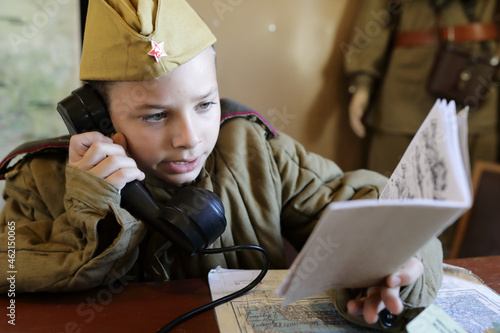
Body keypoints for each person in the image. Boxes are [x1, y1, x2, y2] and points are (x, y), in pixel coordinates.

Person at [0, 0, 442, 330]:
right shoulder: (39, 178)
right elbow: (13, 277)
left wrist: (395, 258)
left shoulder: (255, 151)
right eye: (155, 115)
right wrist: (94, 209)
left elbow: (368, 203)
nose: (190, 138)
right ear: (95, 118)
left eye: (205, 104)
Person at [344, 0, 498, 178]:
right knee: (391, 192)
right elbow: (377, 13)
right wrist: (363, 82)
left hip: (476, 85)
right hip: (405, 88)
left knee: (475, 195)